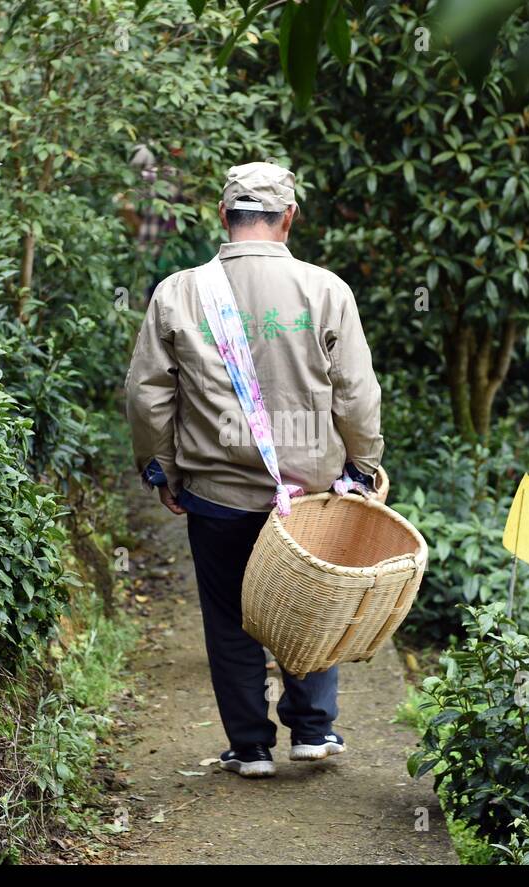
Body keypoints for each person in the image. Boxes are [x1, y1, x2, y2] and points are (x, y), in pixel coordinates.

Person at [125, 161, 383, 778]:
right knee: (312, 602)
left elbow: (146, 393)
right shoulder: (326, 290)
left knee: (230, 615)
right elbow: (356, 392)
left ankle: (249, 747)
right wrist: (364, 466)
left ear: (224, 217)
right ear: (288, 217)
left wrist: (162, 469)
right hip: (310, 495)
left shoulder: (179, 291)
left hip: (217, 494)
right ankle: (314, 732)